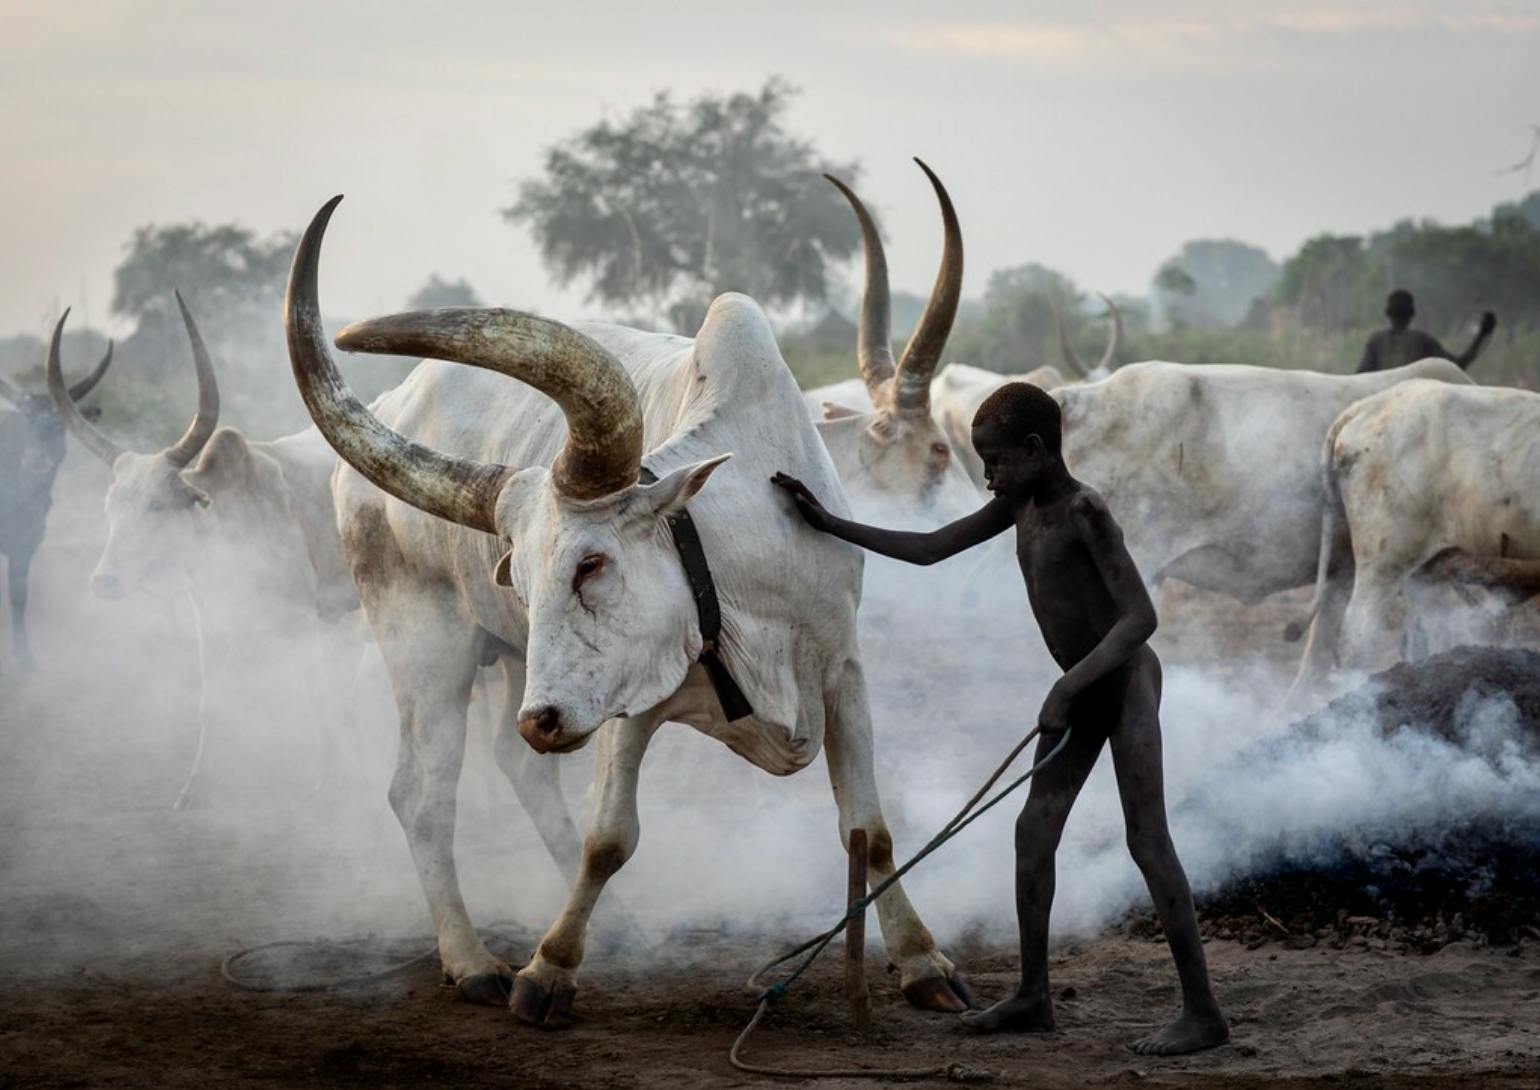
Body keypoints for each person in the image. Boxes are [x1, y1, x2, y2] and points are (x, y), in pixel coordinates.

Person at [771, 382, 1228, 1056]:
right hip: (1078, 691)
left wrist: (1068, 687)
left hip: (1123, 683)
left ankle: (1203, 1013)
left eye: (997, 461)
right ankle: (1034, 997)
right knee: (1033, 834)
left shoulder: (1083, 511)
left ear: (1037, 450)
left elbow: (1141, 619)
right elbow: (932, 547)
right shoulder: (1020, 502)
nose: (988, 476)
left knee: (1147, 841)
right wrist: (830, 525)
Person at [1356, 290, 1496, 373]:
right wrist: (1483, 334)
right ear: (1411, 315)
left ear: (1388, 314)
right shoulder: (1422, 340)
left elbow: (1360, 378)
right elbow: (1458, 366)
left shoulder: (1376, 341)